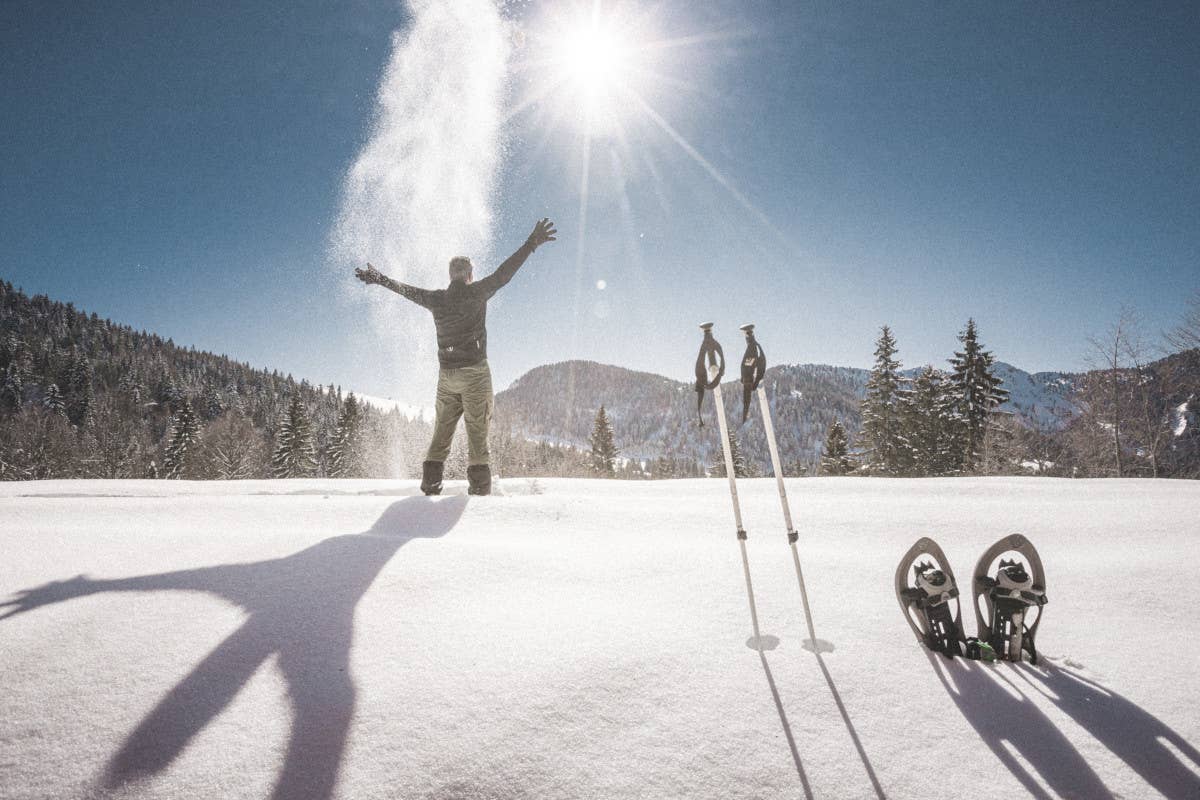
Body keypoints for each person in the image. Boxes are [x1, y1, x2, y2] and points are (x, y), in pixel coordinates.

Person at [355, 218, 557, 496]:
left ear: (451, 275)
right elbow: (504, 274)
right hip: (474, 374)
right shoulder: (476, 293)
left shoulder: (437, 299)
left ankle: (430, 487)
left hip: (446, 379)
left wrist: (380, 279)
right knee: (477, 435)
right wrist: (531, 243)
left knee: (441, 432)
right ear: (469, 274)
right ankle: (480, 495)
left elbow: (408, 291)